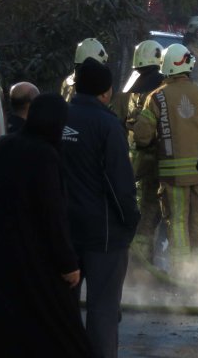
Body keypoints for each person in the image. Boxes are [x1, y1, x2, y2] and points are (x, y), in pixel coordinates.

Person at [0, 94, 93, 357]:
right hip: (37, 264)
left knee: (7, 335)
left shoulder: (1, 146)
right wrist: (68, 264)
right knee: (61, 335)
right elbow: (52, 215)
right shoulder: (44, 155)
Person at [62, 59, 139, 358]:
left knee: (63, 310)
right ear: (106, 92)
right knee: (103, 312)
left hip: (63, 233)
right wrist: (130, 222)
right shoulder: (107, 125)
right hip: (104, 235)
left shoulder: (58, 120)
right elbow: (120, 183)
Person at [134, 43, 198, 279]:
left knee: (178, 222)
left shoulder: (157, 97)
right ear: (188, 66)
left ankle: (182, 274)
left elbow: (142, 136)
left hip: (172, 176)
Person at [113, 40, 167, 265]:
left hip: (132, 160)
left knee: (136, 208)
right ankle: (143, 263)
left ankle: (136, 258)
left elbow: (115, 121)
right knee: (151, 212)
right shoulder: (162, 89)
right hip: (155, 161)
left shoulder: (129, 89)